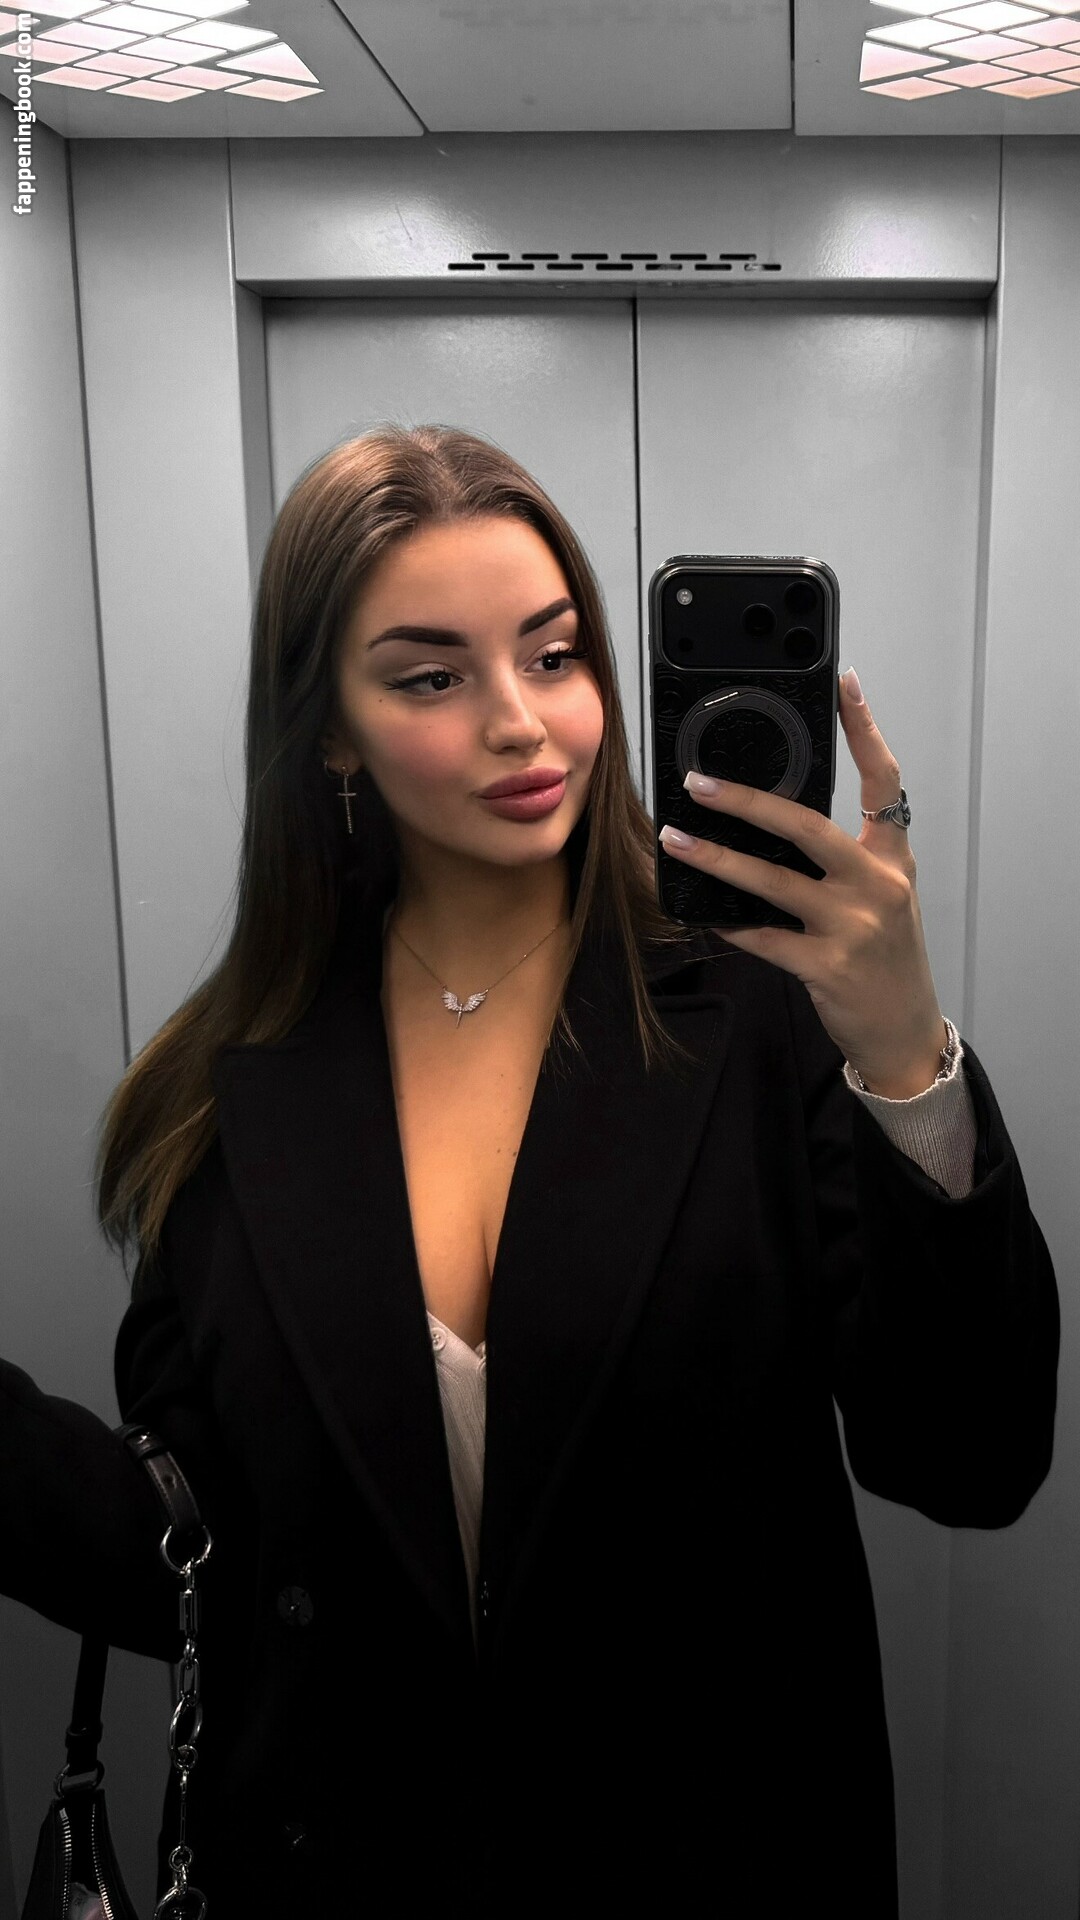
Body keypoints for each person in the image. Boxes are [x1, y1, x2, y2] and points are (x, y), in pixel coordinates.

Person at [1, 425, 1058, 1918]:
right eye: (431, 678)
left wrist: (903, 1049)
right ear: (329, 731)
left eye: (555, 657)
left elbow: (970, 1456)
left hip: (714, 1867)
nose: (522, 723)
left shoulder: (763, 1019)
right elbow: (197, 1551)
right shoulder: (232, 1082)